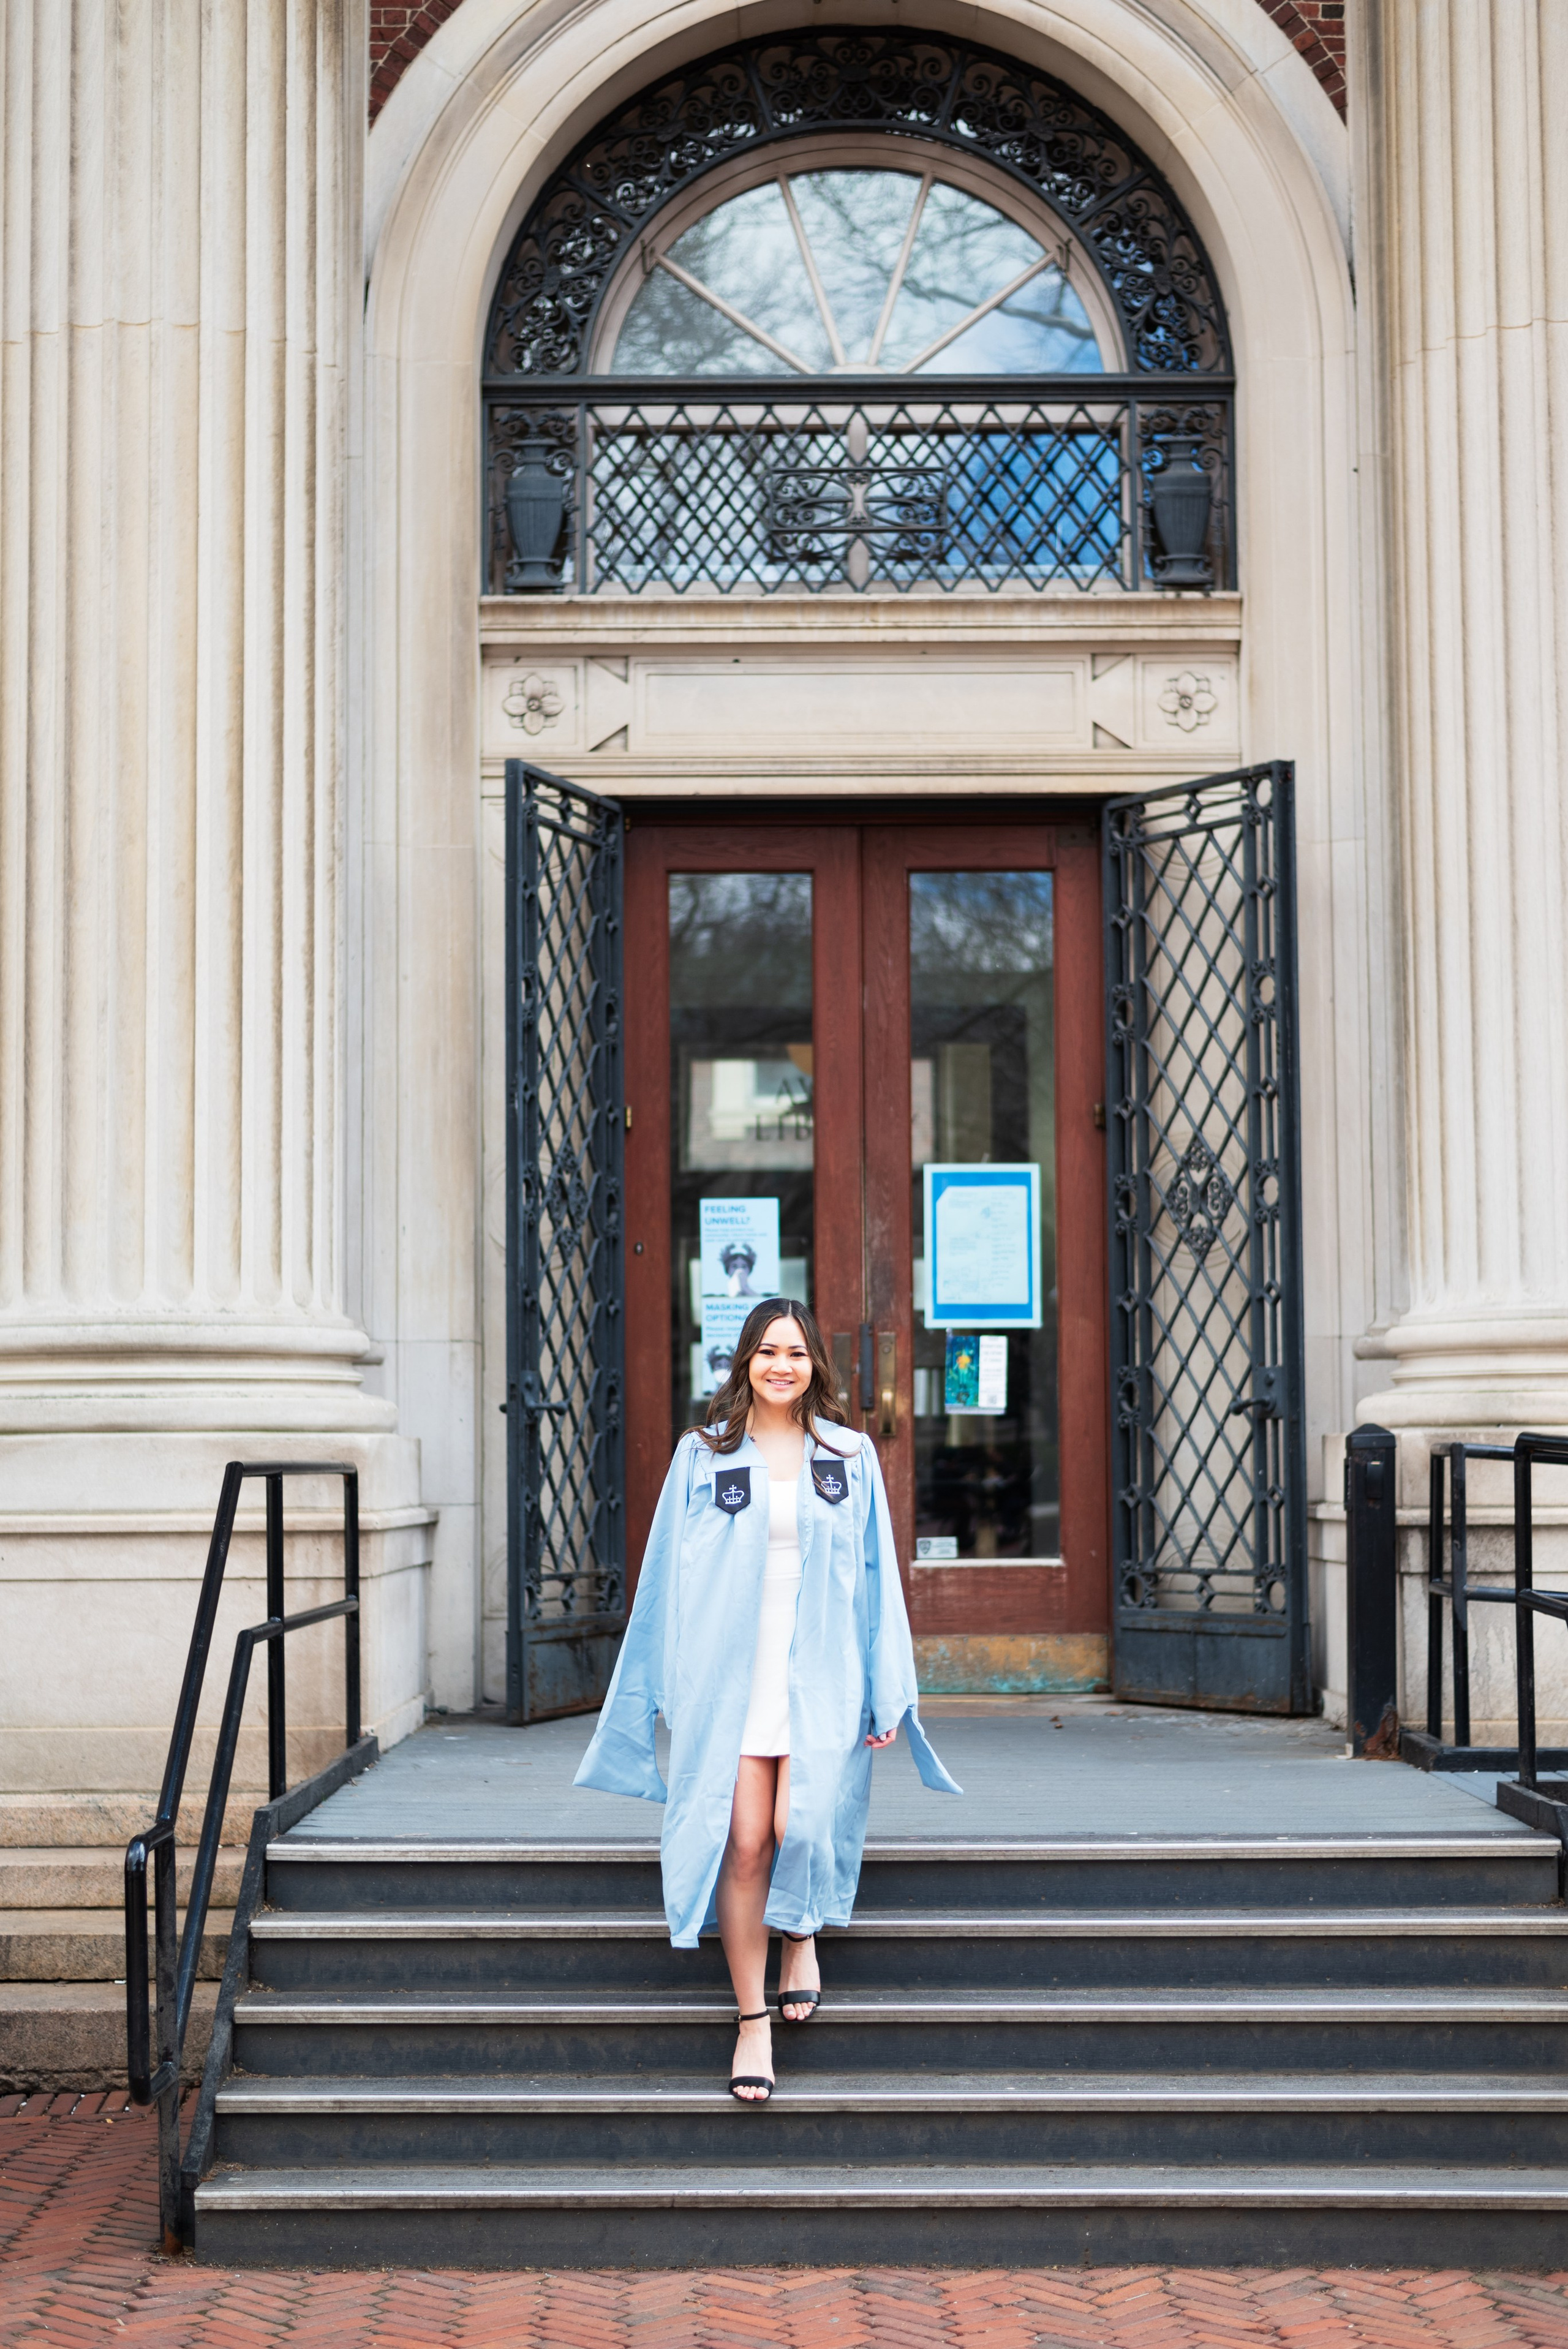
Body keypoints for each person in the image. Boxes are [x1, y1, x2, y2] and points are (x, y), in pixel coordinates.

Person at [575, 1297, 959, 2103]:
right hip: (731, 1679)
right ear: (744, 1361)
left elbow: (878, 1581)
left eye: (796, 1352)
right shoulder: (704, 1456)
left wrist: (887, 1688)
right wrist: (665, 1687)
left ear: (815, 1363)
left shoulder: (848, 1455)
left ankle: (804, 1932)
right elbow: (663, 1583)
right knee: (745, 1840)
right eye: (766, 1351)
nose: (781, 1365)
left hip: (821, 1673)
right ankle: (752, 2020)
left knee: (804, 1821)